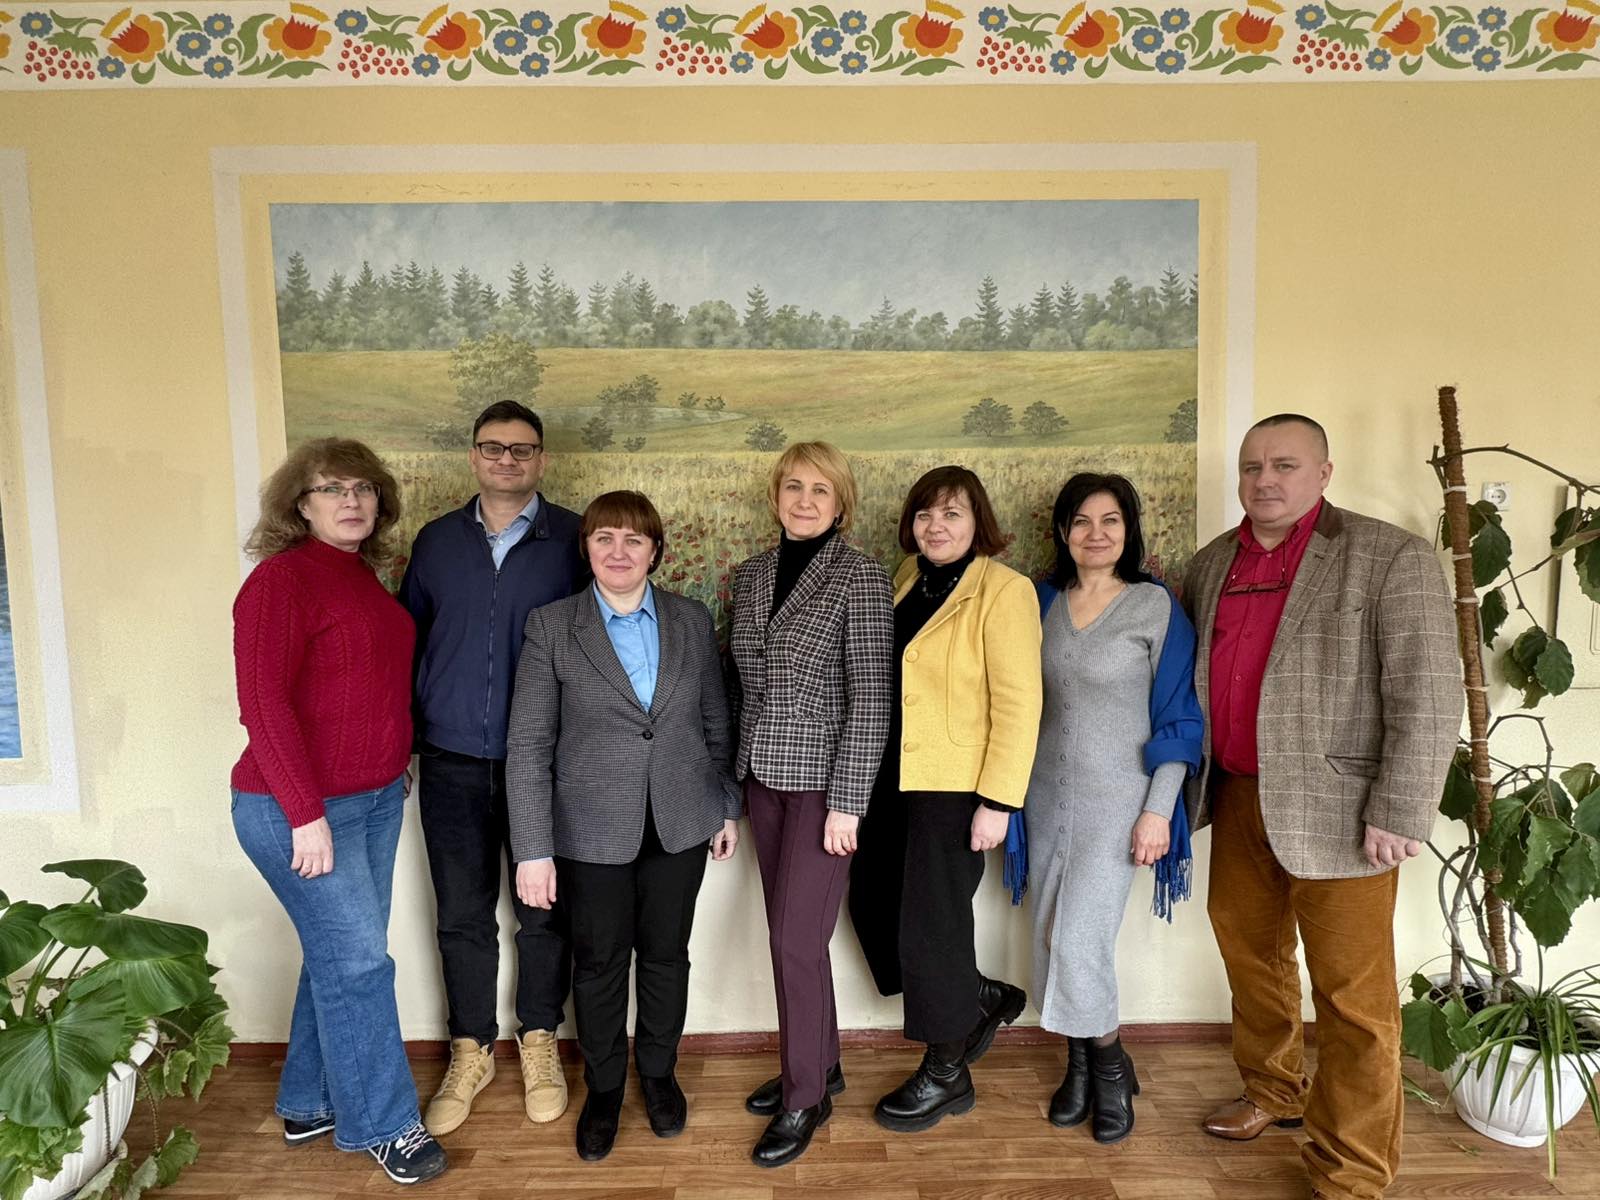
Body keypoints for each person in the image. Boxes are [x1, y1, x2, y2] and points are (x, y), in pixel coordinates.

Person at [1181, 414, 1460, 1200]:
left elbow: (1428, 691)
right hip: (1239, 794)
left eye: (1285, 464)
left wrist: (1400, 807)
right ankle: (1273, 1090)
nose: (1264, 480)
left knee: (1353, 1000)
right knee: (1251, 960)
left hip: (1347, 812)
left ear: (1324, 473)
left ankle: (1353, 1170)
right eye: (1252, 467)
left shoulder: (1388, 555)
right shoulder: (1211, 564)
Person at [230, 438, 447, 1185]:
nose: (350, 500)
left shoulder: (360, 577)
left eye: (362, 488)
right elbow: (263, 704)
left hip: (375, 800)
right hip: (295, 808)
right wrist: (304, 813)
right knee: (359, 964)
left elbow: (370, 686)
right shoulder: (280, 582)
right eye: (331, 488)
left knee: (340, 956)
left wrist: (393, 761)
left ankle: (307, 1099)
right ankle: (384, 1124)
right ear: (301, 503)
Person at [505, 491, 742, 1162]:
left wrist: (726, 805)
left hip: (681, 820)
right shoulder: (553, 626)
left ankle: (659, 1074)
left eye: (634, 539)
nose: (618, 551)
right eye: (604, 537)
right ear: (586, 548)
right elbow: (528, 745)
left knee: (667, 956)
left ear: (654, 552)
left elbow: (716, 720)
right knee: (600, 964)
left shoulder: (689, 619)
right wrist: (532, 849)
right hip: (589, 831)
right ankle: (605, 1088)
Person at [398, 400, 584, 1136]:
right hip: (450, 759)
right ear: (474, 456)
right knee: (462, 916)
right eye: (493, 447)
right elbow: (408, 644)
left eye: (522, 449)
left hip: (548, 762)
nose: (507, 459)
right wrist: (403, 741)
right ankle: (470, 1050)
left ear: (542, 459)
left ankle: (539, 1039)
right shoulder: (437, 541)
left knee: (545, 914)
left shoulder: (574, 539)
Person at [852, 466, 1042, 1134]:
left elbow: (1020, 703)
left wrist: (999, 802)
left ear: (977, 521)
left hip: (955, 785)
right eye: (925, 514)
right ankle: (979, 994)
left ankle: (946, 1071)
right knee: (874, 903)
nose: (936, 526)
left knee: (932, 924)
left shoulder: (1005, 590)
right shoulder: (908, 577)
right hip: (891, 776)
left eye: (952, 514)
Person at [1024, 472, 1204, 1144]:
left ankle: (1107, 1070)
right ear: (1062, 531)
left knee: (1081, 940)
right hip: (1044, 801)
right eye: (1081, 521)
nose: (1095, 534)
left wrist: (1158, 810)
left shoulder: (1154, 607)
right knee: (1050, 936)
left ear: (1129, 531)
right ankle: (1080, 1068)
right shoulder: (1041, 602)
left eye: (1110, 521)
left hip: (1121, 805)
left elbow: (1180, 717)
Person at [729, 442, 894, 1168]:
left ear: (841, 504)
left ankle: (804, 1098)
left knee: (794, 942)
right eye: (793, 486)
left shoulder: (860, 576)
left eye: (820, 490)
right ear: (776, 496)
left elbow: (871, 699)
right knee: (793, 937)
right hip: (762, 779)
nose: (804, 500)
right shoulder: (751, 575)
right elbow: (743, 686)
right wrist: (732, 785)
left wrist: (849, 804)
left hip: (827, 788)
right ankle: (820, 1064)